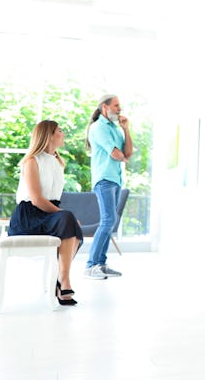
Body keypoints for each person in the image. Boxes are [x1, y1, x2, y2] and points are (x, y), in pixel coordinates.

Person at [8, 120, 83, 305]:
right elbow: (36, 199)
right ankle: (63, 282)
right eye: (59, 131)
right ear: (48, 135)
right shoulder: (31, 161)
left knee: (75, 227)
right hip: (29, 216)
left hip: (48, 214)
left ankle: (61, 279)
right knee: (69, 218)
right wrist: (64, 214)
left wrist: (64, 215)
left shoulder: (58, 162)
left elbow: (53, 199)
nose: (63, 134)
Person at [83, 94, 132, 280]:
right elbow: (116, 154)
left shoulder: (116, 129)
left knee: (110, 221)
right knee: (107, 220)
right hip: (103, 179)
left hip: (115, 179)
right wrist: (122, 156)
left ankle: (100, 264)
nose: (120, 108)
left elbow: (127, 153)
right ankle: (90, 265)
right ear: (105, 107)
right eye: (116, 105)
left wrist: (126, 129)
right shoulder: (98, 128)